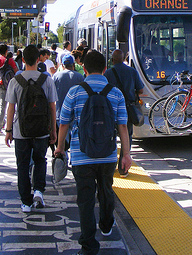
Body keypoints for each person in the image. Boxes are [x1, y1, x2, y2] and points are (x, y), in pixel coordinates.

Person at [55, 50, 132, 255]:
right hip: (107, 154)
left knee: (85, 199)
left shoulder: (75, 92)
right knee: (106, 191)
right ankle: (106, 224)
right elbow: (122, 126)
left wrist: (60, 148)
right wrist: (126, 154)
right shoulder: (115, 93)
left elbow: (64, 123)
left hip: (82, 156)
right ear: (105, 69)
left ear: (85, 68)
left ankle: (89, 246)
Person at [4, 45, 58, 213]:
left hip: (21, 131)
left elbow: (10, 108)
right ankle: (39, 192)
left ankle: (26, 202)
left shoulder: (15, 81)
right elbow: (52, 107)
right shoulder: (46, 79)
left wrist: (8, 130)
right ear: (38, 60)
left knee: (22, 165)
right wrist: (53, 130)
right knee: (41, 160)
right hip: (42, 130)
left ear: (23, 60)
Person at [104, 49, 144, 177]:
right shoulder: (132, 71)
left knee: (111, 137)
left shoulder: (108, 73)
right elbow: (141, 90)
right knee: (127, 136)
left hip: (111, 109)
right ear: (123, 58)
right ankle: (123, 169)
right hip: (128, 109)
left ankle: (110, 165)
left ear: (113, 60)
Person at [52, 54, 84, 129]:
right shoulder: (79, 77)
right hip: (75, 114)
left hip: (60, 113)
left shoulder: (56, 76)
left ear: (62, 65)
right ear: (73, 65)